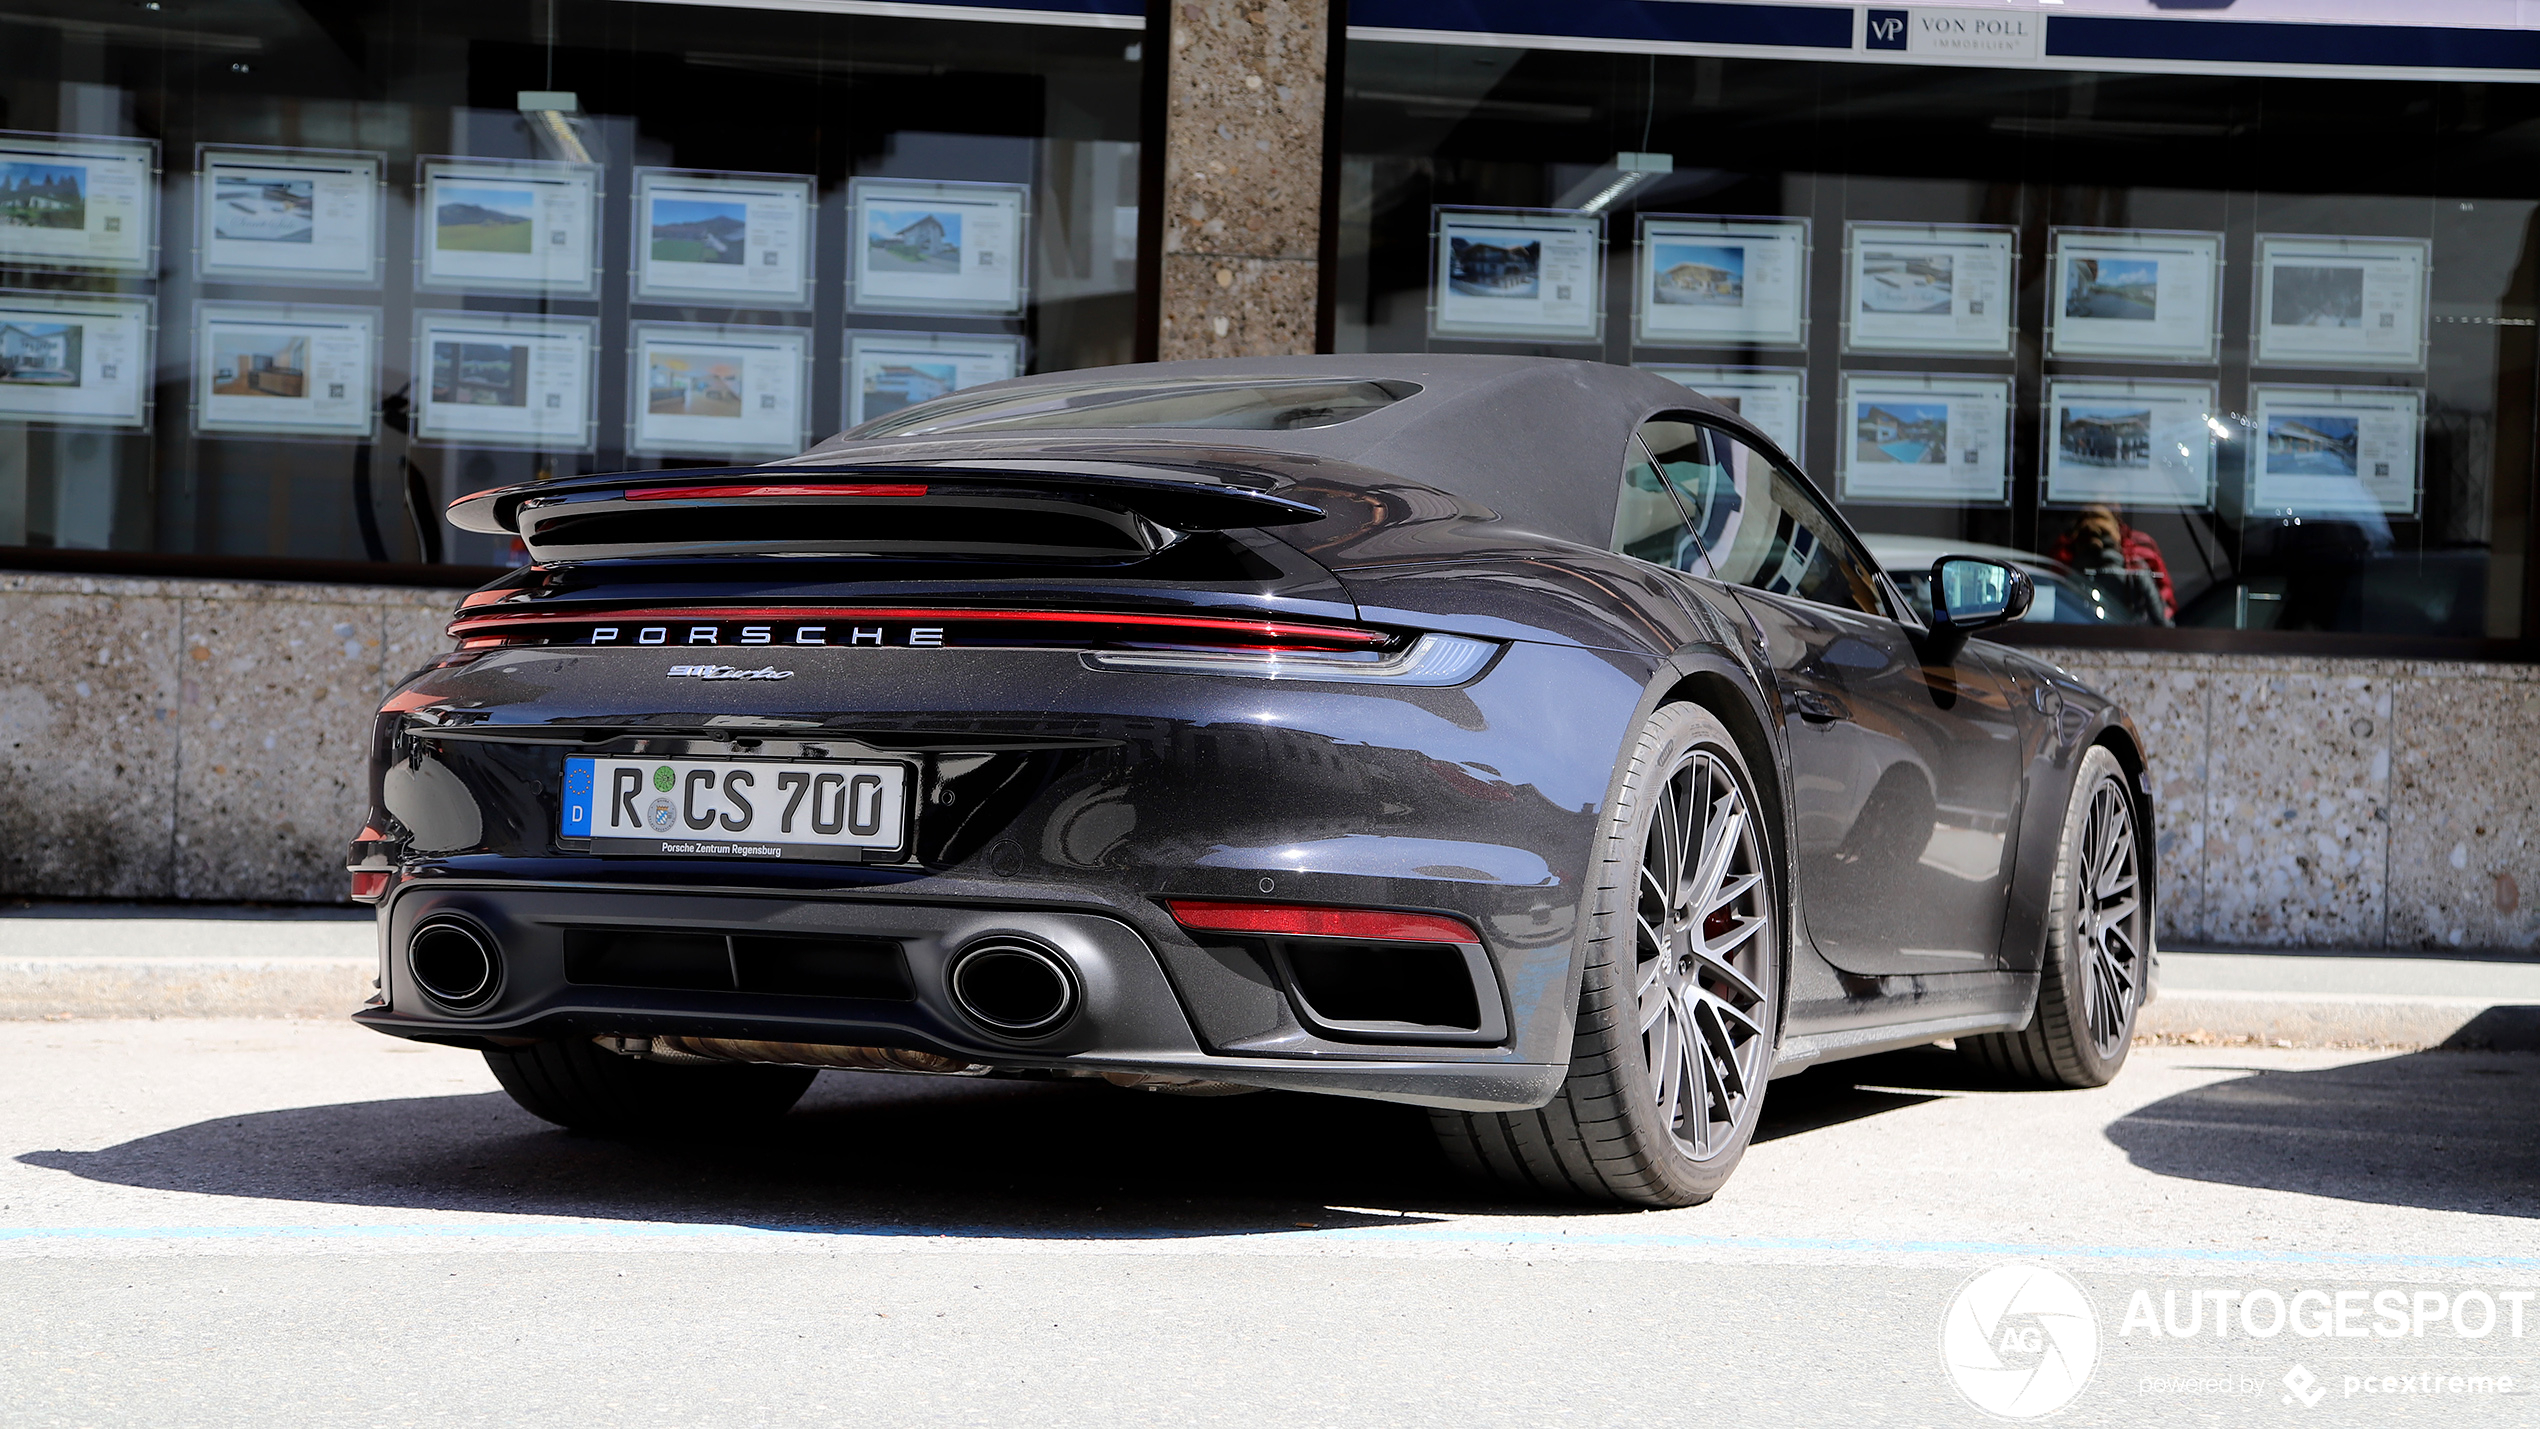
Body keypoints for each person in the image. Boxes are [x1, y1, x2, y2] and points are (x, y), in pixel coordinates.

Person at [2049, 504, 2175, 622]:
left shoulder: (2140, 555)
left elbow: (2165, 616)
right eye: (2089, 536)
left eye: (2104, 536)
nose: (2098, 543)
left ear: (2117, 532)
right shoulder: (2063, 557)